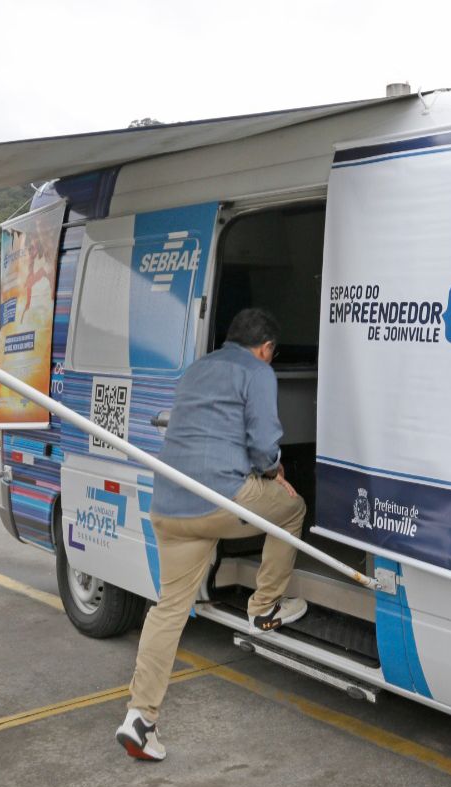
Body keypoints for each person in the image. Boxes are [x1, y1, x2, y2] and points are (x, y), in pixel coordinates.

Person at [116, 308, 308, 762]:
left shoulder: (196, 369)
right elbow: (264, 445)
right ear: (266, 349)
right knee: (292, 510)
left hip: (168, 506)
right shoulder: (258, 372)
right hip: (219, 499)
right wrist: (276, 472)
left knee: (168, 610)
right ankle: (264, 607)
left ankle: (139, 718)